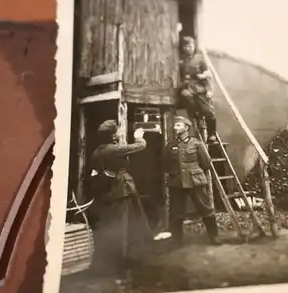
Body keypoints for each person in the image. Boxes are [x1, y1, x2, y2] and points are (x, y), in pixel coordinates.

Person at [87, 120, 152, 271]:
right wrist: (138, 136)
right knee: (123, 224)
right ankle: (121, 261)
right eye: (117, 132)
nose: (119, 133)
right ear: (113, 136)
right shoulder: (113, 149)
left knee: (117, 222)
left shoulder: (98, 150)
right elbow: (140, 146)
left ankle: (126, 256)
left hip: (109, 190)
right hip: (121, 189)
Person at [163, 116, 222, 247]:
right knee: (176, 212)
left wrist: (193, 171)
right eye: (175, 125)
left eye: (178, 125)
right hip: (177, 182)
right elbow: (166, 163)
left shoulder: (196, 144)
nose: (175, 127)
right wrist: (174, 174)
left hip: (196, 181)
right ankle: (177, 241)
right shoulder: (171, 145)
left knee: (206, 208)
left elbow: (206, 163)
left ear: (186, 127)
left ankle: (214, 237)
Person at [178, 36, 218, 143]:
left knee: (208, 111)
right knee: (186, 96)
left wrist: (210, 90)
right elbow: (181, 76)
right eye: (186, 46)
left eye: (191, 46)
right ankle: (198, 118)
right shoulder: (182, 61)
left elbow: (209, 75)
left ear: (194, 46)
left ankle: (212, 134)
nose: (188, 48)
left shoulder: (200, 59)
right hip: (189, 88)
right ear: (183, 48)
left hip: (201, 89)